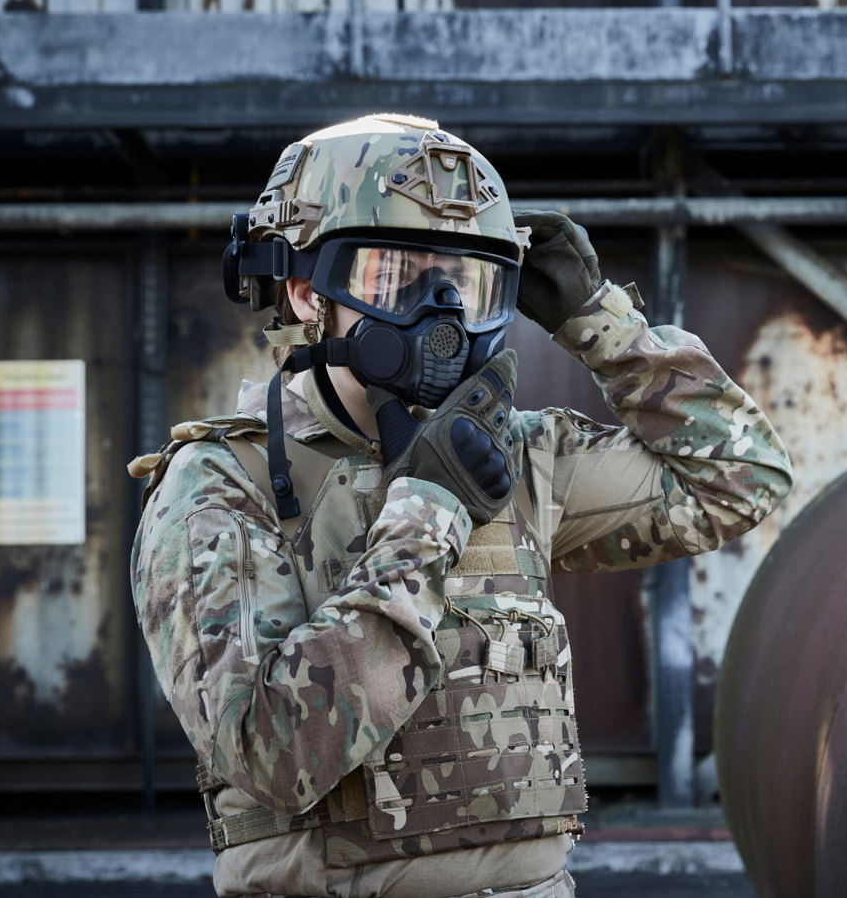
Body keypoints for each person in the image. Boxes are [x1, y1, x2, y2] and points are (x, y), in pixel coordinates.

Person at [129, 113, 793, 898]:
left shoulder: (516, 454)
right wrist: (429, 511)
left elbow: (742, 478)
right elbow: (273, 754)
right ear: (309, 293)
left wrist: (601, 323)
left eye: (468, 284)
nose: (439, 311)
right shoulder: (219, 483)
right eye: (396, 278)